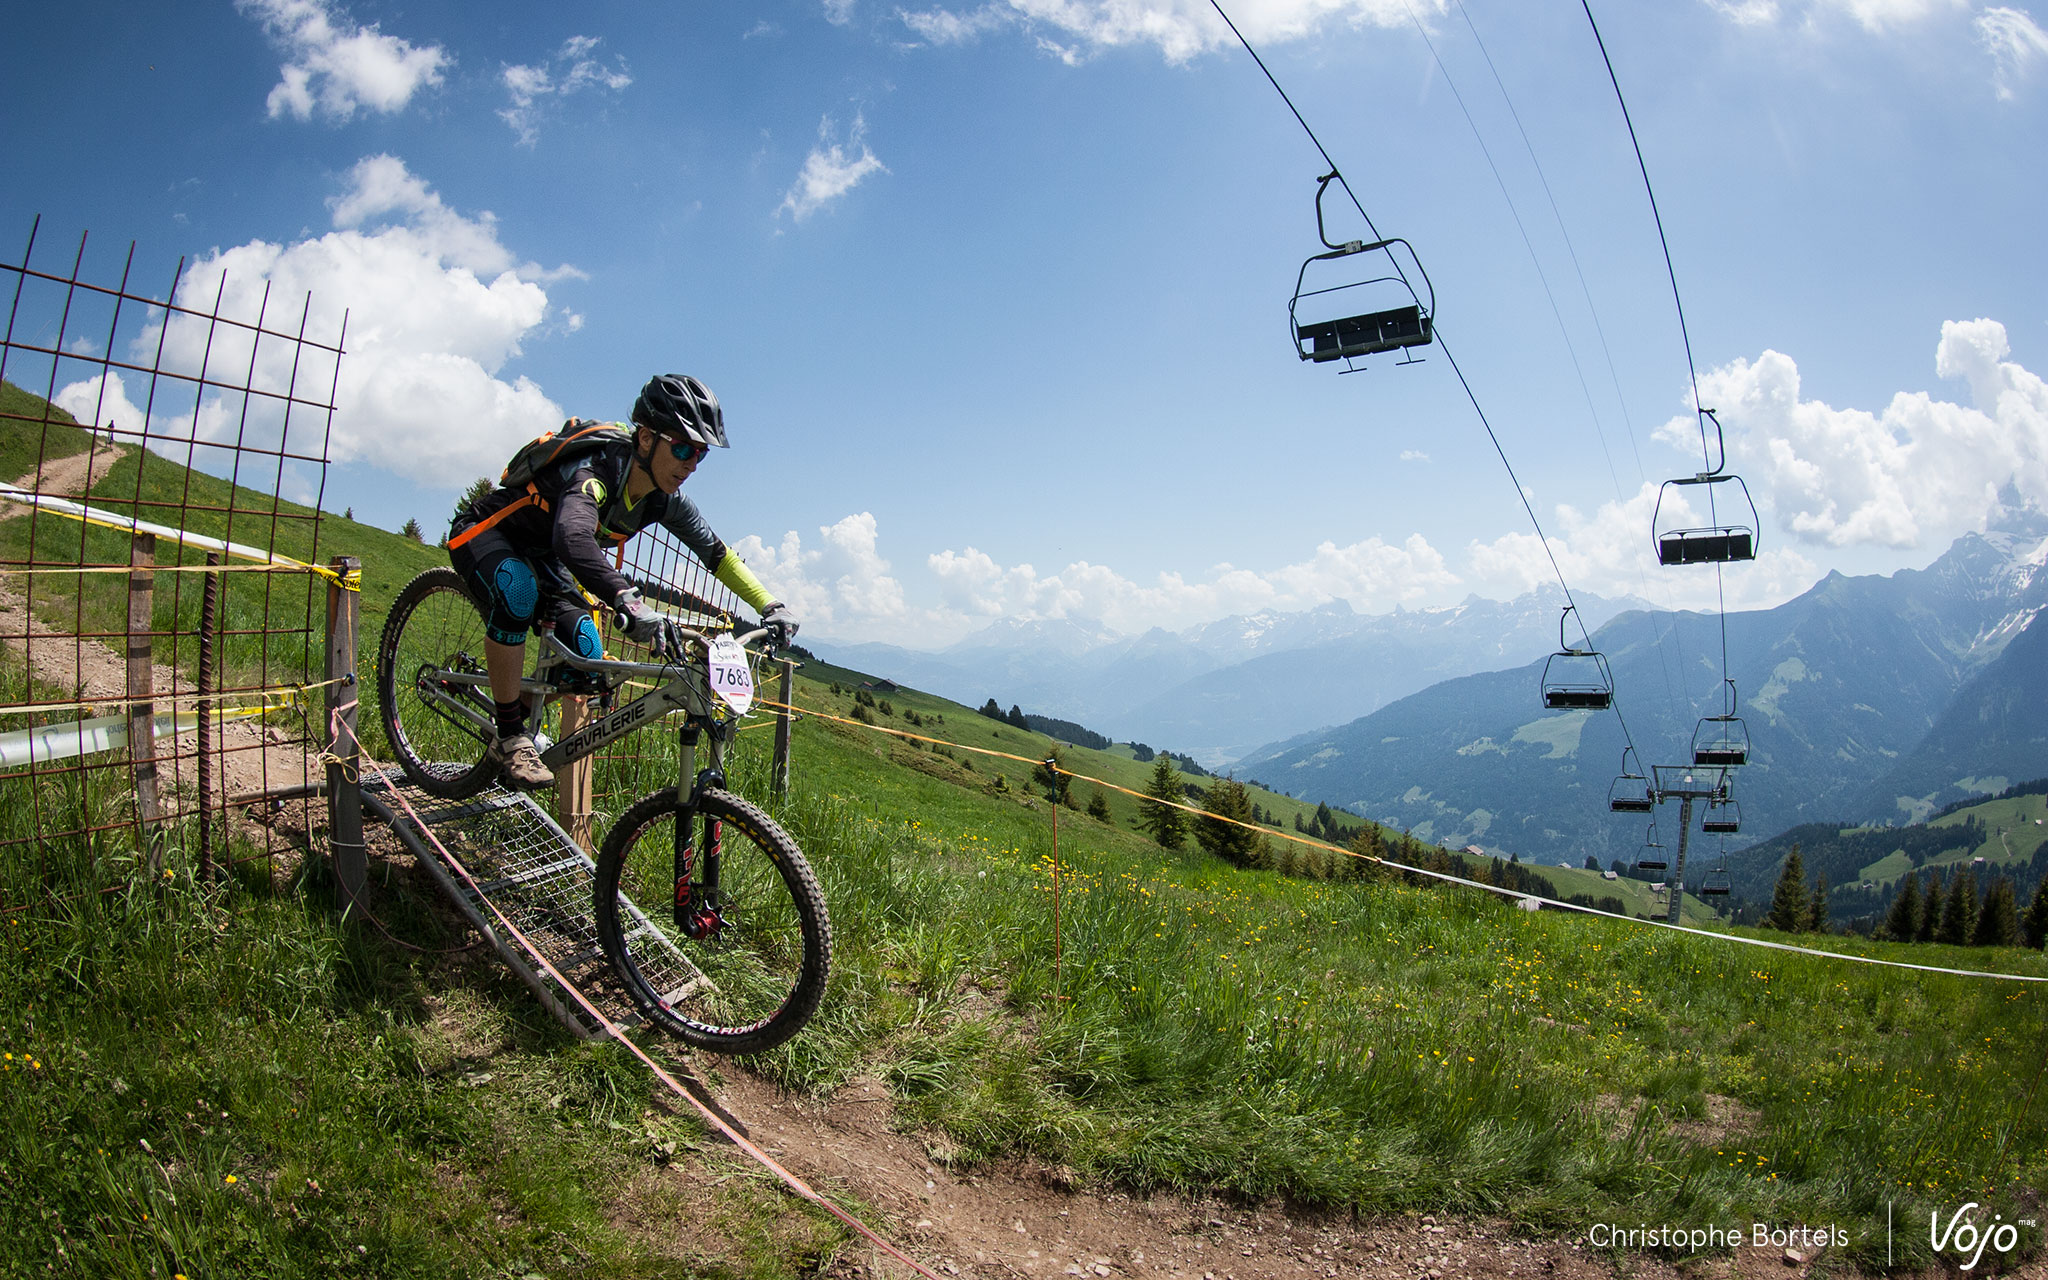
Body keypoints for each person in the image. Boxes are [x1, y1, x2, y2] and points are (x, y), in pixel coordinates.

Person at [446, 373, 799, 789]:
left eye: (700, 454)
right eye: (683, 447)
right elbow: (572, 537)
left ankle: (509, 721)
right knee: (516, 591)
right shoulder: (594, 473)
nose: (690, 464)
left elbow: (717, 556)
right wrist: (627, 599)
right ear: (646, 439)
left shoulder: (664, 499)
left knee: (588, 659)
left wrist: (770, 605)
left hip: (546, 559)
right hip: (489, 532)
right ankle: (509, 737)